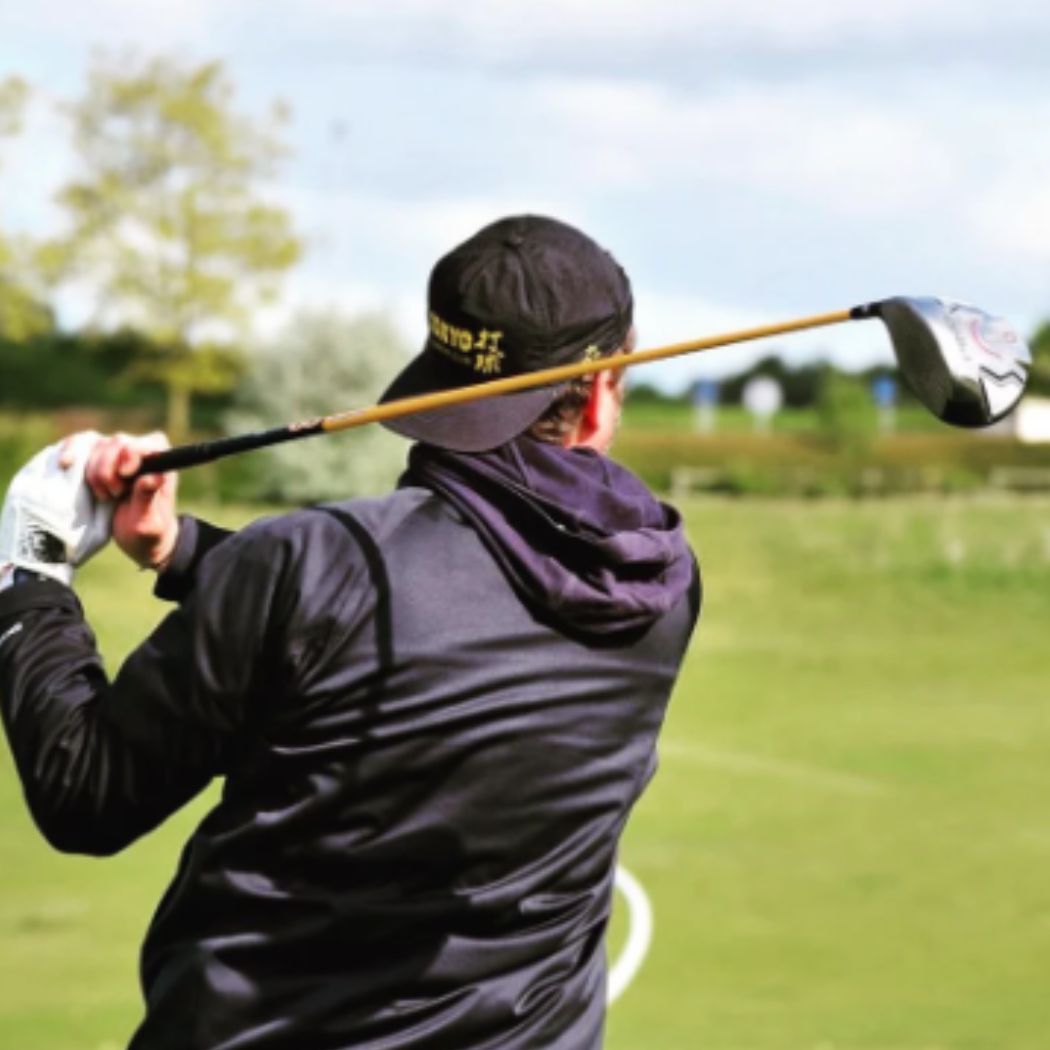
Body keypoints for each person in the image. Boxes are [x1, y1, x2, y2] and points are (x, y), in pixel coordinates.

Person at [0, 215, 700, 1049]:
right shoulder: (659, 584)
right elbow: (421, 607)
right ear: (599, 395)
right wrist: (181, 551)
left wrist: (30, 568)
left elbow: (85, 792)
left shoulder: (301, 568)